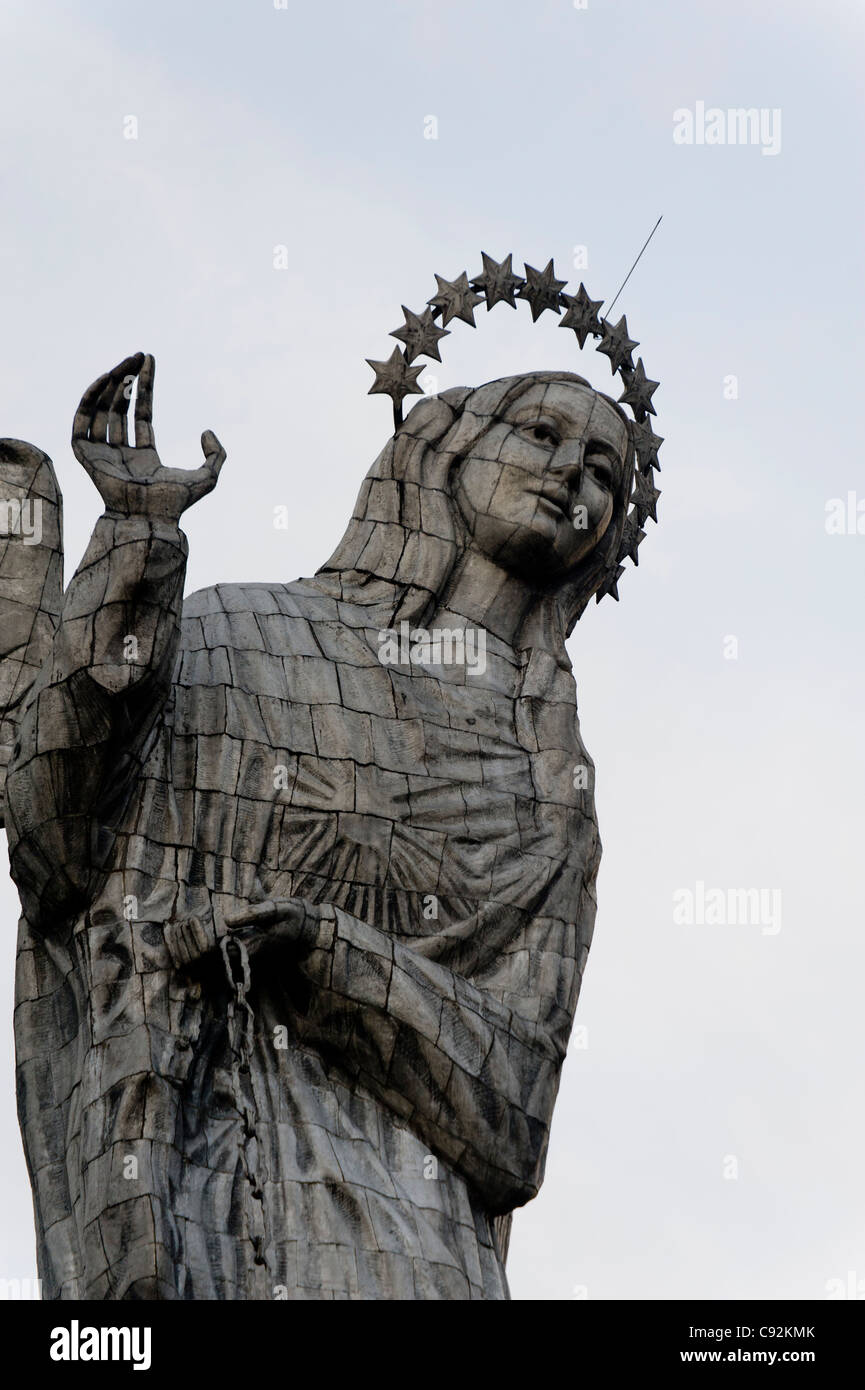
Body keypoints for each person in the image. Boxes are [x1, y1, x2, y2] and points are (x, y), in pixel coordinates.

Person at [4, 351, 634, 1299]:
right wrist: (136, 540)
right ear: (445, 452)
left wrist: (326, 953)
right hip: (204, 1180)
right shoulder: (245, 633)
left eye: (602, 472)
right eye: (540, 434)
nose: (570, 473)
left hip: (418, 1249)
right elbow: (59, 846)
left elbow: (511, 1124)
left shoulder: (553, 796)